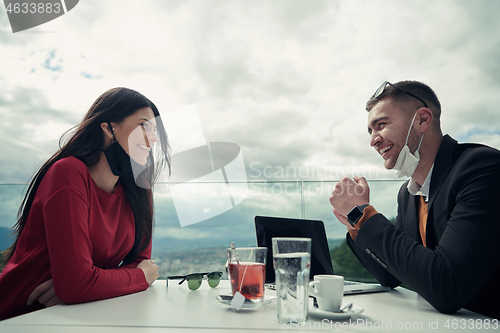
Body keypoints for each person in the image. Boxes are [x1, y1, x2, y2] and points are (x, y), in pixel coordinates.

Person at [329, 80, 500, 319]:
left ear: (422, 120)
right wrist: (354, 222)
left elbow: (448, 287)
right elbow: (391, 274)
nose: (373, 140)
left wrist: (363, 214)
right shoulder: (407, 194)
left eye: (381, 125)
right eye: (370, 131)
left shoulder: (481, 168)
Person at [0, 87, 171, 320]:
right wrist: (83, 284)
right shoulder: (68, 173)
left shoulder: (141, 192)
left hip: (79, 315)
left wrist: (89, 284)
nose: (153, 138)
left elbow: (140, 262)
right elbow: (82, 284)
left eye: (154, 130)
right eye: (143, 125)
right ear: (108, 127)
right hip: (21, 316)